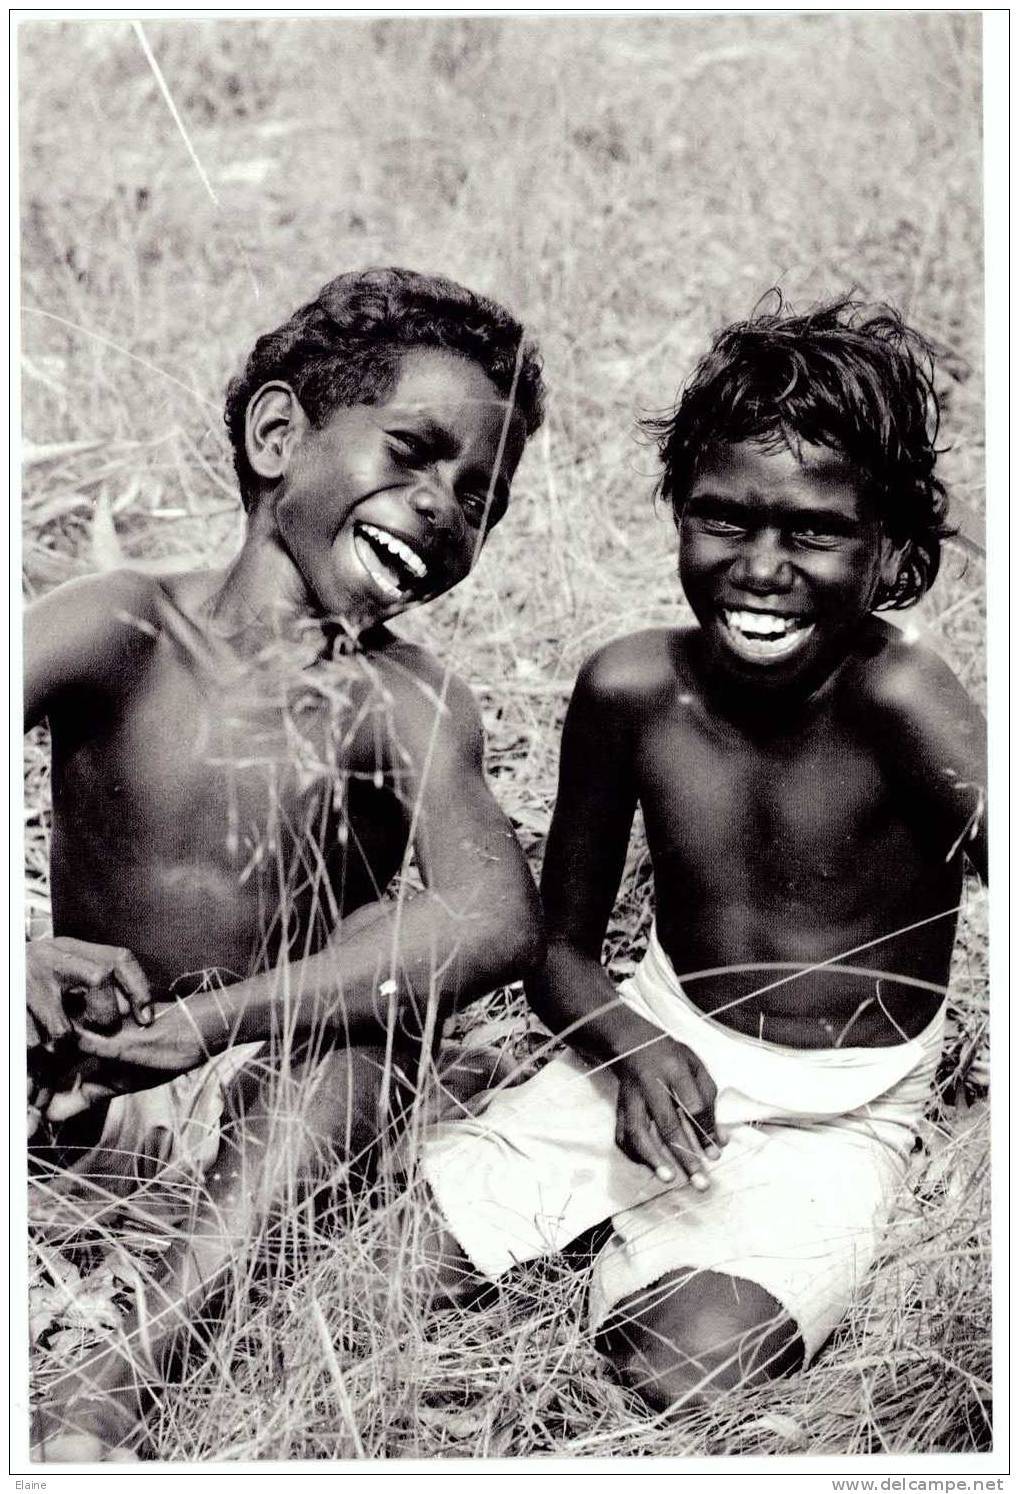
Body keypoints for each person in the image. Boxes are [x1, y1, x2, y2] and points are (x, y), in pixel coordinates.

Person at [418, 297, 987, 1412]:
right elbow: (558, 951)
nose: (760, 567)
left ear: (893, 555)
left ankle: (695, 1250)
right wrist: (628, 1046)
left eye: (814, 532)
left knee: (681, 1374)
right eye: (722, 519)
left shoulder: (904, 702)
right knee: (378, 1272)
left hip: (841, 1110)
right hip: (656, 1042)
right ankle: (610, 1214)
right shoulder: (630, 689)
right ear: (678, 514)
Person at [25, 265, 546, 1458]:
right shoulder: (122, 623)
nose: (440, 509)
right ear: (278, 434)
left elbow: (489, 917)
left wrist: (221, 1024)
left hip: (259, 1104)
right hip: (75, 1054)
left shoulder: (406, 701)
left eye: (480, 498)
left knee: (370, 1039)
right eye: (411, 453)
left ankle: (125, 1370)